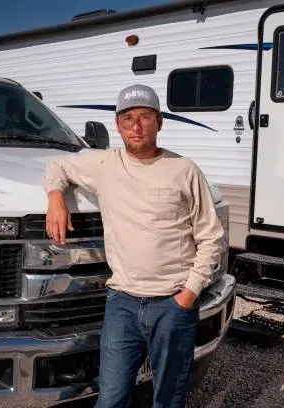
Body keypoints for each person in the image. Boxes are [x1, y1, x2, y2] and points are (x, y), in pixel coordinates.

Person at [44, 84, 225, 408]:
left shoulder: (184, 171)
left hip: (172, 304)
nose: (136, 126)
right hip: (122, 304)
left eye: (144, 117)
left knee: (168, 399)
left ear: (159, 121)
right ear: (117, 124)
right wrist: (56, 198)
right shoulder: (105, 165)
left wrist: (189, 294)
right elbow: (57, 166)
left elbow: (212, 237)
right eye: (128, 118)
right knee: (111, 399)